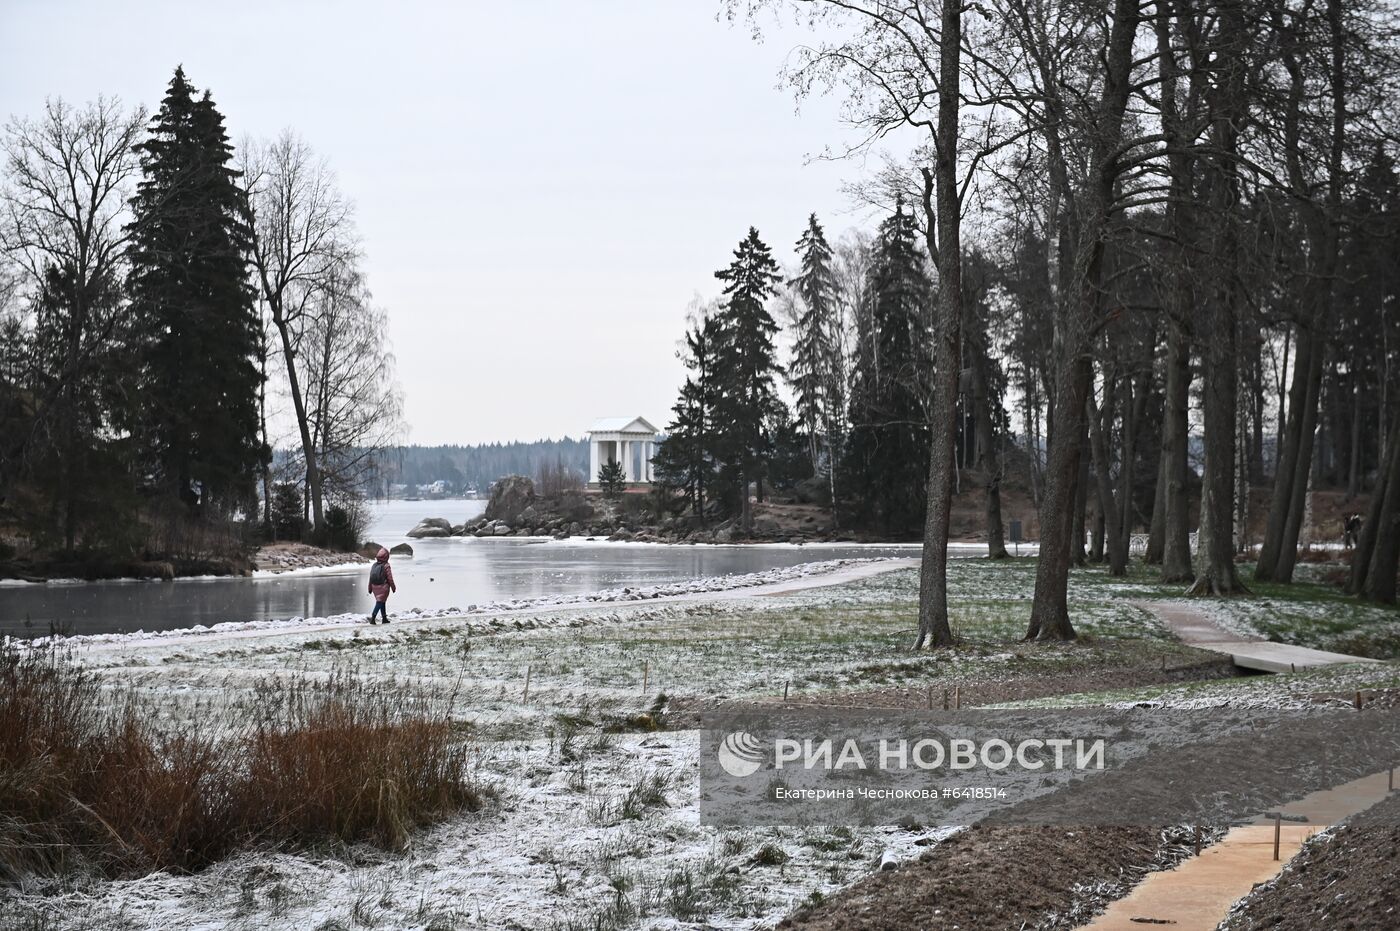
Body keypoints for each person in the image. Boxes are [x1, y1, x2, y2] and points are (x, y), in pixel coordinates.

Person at [368, 547, 397, 623]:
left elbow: (370, 577)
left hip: (374, 586)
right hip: (383, 587)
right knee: (380, 602)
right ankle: (373, 618)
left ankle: (384, 618)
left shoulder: (374, 565)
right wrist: (393, 587)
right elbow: (390, 578)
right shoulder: (386, 565)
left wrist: (370, 588)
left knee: (382, 601)